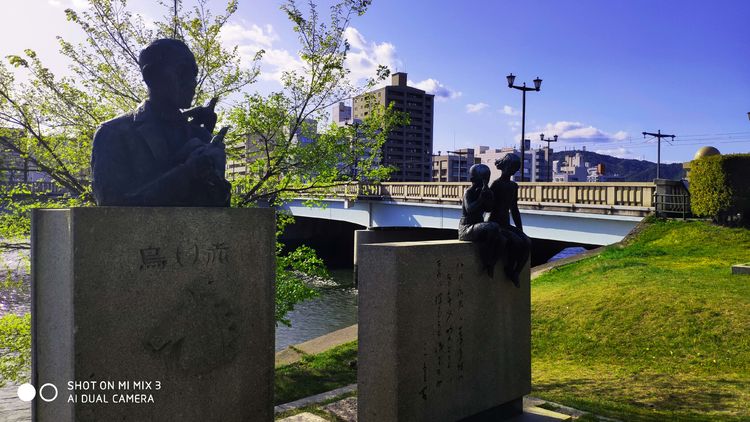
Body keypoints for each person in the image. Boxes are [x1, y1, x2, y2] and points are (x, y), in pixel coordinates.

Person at [91, 38, 231, 206]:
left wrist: (214, 175)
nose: (192, 82)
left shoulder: (200, 135)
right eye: (183, 72)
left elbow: (218, 214)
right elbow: (111, 209)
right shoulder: (113, 133)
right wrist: (187, 172)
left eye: (194, 74)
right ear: (151, 76)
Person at [489, 154, 531, 287]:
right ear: (505, 167)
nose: (513, 171)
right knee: (517, 242)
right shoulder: (496, 184)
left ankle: (516, 272)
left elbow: (514, 209)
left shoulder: (514, 186)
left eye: (515, 168)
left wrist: (520, 229)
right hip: (495, 222)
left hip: (506, 223)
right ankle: (509, 268)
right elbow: (489, 207)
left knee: (527, 242)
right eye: (511, 167)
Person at [458, 164, 505, 277]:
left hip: (478, 226)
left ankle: (491, 263)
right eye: (483, 179)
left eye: (486, 180)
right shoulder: (468, 192)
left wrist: (489, 197)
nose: (485, 182)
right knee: (493, 226)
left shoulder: (483, 192)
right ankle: (485, 261)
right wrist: (481, 199)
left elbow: (489, 209)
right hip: (466, 228)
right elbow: (470, 209)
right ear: (473, 179)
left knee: (503, 240)